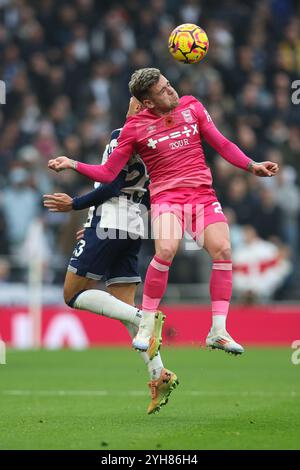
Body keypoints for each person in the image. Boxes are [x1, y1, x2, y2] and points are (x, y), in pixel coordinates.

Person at [48, 68, 279, 356]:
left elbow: (221, 143)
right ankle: (146, 322)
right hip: (167, 198)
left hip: (202, 196)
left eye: (169, 85)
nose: (171, 91)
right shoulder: (134, 129)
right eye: (163, 90)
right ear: (148, 103)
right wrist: (73, 163)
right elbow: (108, 173)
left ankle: (218, 331)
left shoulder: (192, 106)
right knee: (166, 250)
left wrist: (251, 165)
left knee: (223, 250)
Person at [44, 97, 178, 415]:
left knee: (72, 294)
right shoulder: (158, 145)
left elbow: (110, 182)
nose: (130, 105)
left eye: (135, 101)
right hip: (134, 225)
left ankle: (146, 319)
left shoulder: (123, 134)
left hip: (111, 218)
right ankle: (159, 375)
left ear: (141, 107)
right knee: (122, 306)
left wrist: (76, 206)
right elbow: (149, 193)